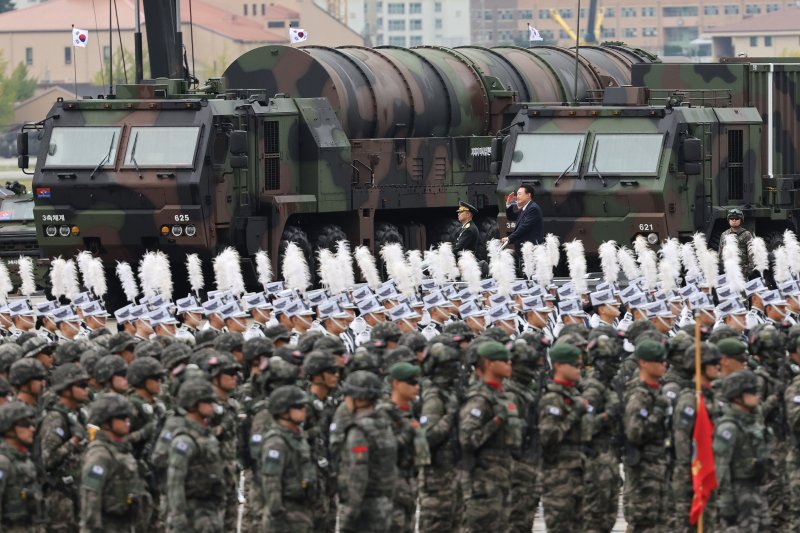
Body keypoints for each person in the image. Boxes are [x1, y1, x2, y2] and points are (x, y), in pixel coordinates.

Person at [458, 340, 520, 532]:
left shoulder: (500, 395)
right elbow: (467, 439)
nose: (509, 364)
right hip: (482, 484)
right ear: (489, 363)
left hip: (500, 480)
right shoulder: (480, 398)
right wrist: (495, 423)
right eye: (504, 360)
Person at [336, 371, 397, 533]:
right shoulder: (384, 425)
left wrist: (351, 512)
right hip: (384, 504)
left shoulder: (359, 431)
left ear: (357, 397)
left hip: (364, 509)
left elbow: (358, 473)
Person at [80, 393, 150, 533]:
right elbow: (91, 500)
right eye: (121, 417)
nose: (127, 421)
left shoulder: (122, 450)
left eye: (127, 417)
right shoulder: (100, 454)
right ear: (105, 422)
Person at [165, 379, 225, 533]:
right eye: (207, 401)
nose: (212, 405)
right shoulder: (184, 440)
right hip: (191, 513)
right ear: (193, 405)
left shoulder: (207, 437)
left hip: (209, 512)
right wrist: (178, 517)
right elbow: (175, 482)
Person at [622, 340, 670, 532]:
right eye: (658, 361)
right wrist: (657, 413)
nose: (663, 365)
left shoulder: (655, 391)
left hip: (658, 470)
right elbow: (635, 432)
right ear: (643, 363)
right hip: (643, 474)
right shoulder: (639, 395)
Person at [714, 370, 769, 531]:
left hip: (756, 491)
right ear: (737, 395)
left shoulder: (753, 422)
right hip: (737, 495)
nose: (756, 396)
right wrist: (726, 503)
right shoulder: (729, 427)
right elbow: (721, 468)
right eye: (751, 392)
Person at [259, 385, 316, 532]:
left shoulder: (297, 436)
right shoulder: (276, 442)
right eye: (298, 406)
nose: (303, 410)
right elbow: (271, 481)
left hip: (302, 511)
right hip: (285, 514)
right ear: (283, 411)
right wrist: (277, 513)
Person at [0, 401, 42, 532]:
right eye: (25, 424)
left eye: (32, 424)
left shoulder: (24, 459)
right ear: (9, 428)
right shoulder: (3, 463)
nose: (32, 429)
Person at [501, 183, 544, 249]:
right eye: (517, 194)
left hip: (530, 251)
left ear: (528, 195)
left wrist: (509, 238)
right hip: (524, 250)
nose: (517, 196)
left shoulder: (533, 208)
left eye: (520, 194)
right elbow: (511, 217)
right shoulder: (525, 208)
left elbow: (524, 227)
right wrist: (509, 203)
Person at [718, 208, 754, 277]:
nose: (734, 220)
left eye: (737, 218)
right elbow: (720, 251)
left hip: (743, 270)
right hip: (728, 269)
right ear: (729, 220)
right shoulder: (724, 234)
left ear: (741, 220)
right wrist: (720, 266)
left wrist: (750, 268)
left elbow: (751, 252)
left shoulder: (746, 234)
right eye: (731, 218)